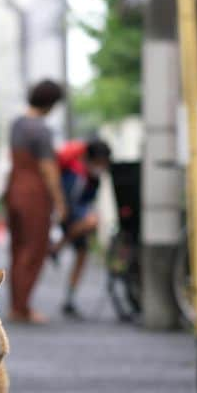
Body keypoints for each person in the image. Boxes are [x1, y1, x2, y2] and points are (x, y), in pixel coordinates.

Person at [4, 80, 67, 323]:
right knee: (34, 248)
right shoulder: (41, 130)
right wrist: (60, 201)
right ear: (50, 103)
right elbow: (48, 168)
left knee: (17, 248)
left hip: (14, 187)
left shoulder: (16, 124)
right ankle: (23, 307)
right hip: (34, 192)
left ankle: (17, 304)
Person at [52, 136, 112, 317]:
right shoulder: (75, 175)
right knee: (92, 223)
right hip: (70, 218)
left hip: (76, 220)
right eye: (100, 162)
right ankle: (57, 247)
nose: (102, 167)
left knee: (82, 255)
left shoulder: (91, 176)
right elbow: (69, 204)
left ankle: (70, 299)